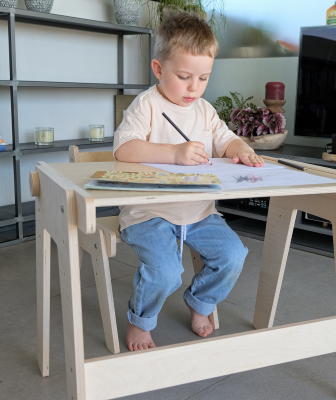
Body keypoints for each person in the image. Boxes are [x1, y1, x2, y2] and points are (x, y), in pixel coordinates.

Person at [113, 9, 265, 351]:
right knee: (166, 272)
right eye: (184, 77)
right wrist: (174, 153)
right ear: (158, 68)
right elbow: (124, 149)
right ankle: (140, 320)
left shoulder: (205, 110)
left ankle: (200, 301)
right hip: (148, 213)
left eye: (203, 78)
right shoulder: (146, 105)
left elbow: (226, 140)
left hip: (198, 212)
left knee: (233, 255)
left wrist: (241, 147)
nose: (194, 87)